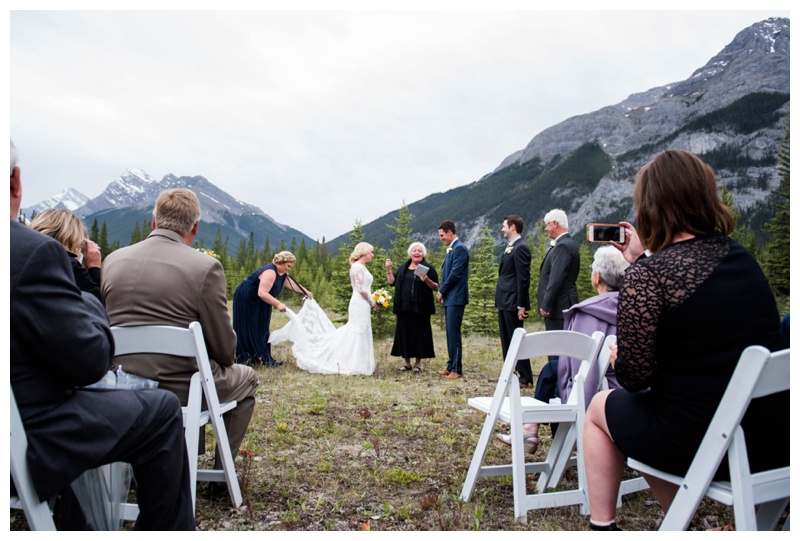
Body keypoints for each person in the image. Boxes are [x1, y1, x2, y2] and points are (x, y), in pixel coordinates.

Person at [583, 149, 788, 531]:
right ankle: (684, 521)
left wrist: (619, 357)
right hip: (772, 438)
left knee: (599, 410)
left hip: (705, 444)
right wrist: (641, 258)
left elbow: (634, 379)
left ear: (651, 206)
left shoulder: (650, 278)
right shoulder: (742, 257)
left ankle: (605, 527)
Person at [10, 141, 195, 530]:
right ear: (15, 182)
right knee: (160, 410)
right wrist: (91, 288)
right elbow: (90, 360)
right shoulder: (30, 254)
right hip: (28, 433)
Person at [101, 188, 259, 498]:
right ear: (195, 227)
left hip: (118, 385)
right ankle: (218, 479)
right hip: (180, 390)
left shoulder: (112, 261)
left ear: (153, 221)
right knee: (246, 378)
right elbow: (226, 353)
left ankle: (161, 461)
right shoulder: (204, 267)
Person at [498, 246, 629, 453]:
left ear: (597, 277)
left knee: (557, 374)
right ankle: (532, 429)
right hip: (625, 384)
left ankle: (552, 442)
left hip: (592, 389)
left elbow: (574, 365)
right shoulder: (635, 306)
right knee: (552, 370)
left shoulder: (587, 312)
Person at [269, 242, 378, 375]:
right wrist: (373, 301)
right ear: (364, 252)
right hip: (360, 303)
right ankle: (350, 362)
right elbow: (361, 289)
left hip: (363, 303)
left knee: (361, 330)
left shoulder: (361, 267)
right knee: (356, 330)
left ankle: (360, 362)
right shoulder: (357, 267)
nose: (372, 255)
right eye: (371, 252)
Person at [232, 250, 313, 367]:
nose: (289, 268)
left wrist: (305, 292)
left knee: (262, 326)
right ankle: (246, 358)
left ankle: (263, 356)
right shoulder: (270, 272)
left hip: (261, 300)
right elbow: (262, 292)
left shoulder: (282, 273)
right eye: (288, 266)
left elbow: (293, 284)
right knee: (248, 326)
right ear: (281, 262)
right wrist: (278, 304)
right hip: (247, 298)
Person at [535, 209, 579, 405]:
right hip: (562, 304)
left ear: (554, 223)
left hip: (559, 306)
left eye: (547, 224)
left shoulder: (563, 246)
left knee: (556, 351)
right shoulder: (567, 244)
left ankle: (557, 393)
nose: (545, 228)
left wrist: (546, 303)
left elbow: (556, 278)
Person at [385, 241, 439, 373]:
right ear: (410, 253)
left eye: (419, 251)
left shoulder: (427, 268)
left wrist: (426, 280)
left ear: (423, 254)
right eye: (414, 250)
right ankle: (407, 363)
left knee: (419, 334)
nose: (417, 252)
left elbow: (436, 287)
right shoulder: (403, 268)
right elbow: (392, 282)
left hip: (421, 308)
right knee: (405, 334)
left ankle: (417, 364)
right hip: (404, 307)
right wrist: (388, 269)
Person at [29, 208, 103, 303]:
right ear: (73, 239)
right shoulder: (67, 266)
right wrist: (94, 268)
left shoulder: (22, 259)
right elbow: (98, 306)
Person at [495, 215, 533, 385]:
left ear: (512, 227)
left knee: (516, 339)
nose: (502, 229)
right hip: (504, 300)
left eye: (504, 226)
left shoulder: (521, 248)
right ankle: (510, 373)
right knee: (506, 339)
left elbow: (523, 279)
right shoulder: (510, 247)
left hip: (512, 302)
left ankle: (525, 377)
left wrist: (521, 305)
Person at [436, 220, 470, 380]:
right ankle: (450, 365)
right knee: (450, 333)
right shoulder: (451, 249)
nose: (440, 238)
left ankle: (457, 368)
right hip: (450, 298)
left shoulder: (460, 249)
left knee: (454, 333)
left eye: (442, 235)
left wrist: (442, 291)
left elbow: (455, 274)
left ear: (450, 232)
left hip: (456, 298)